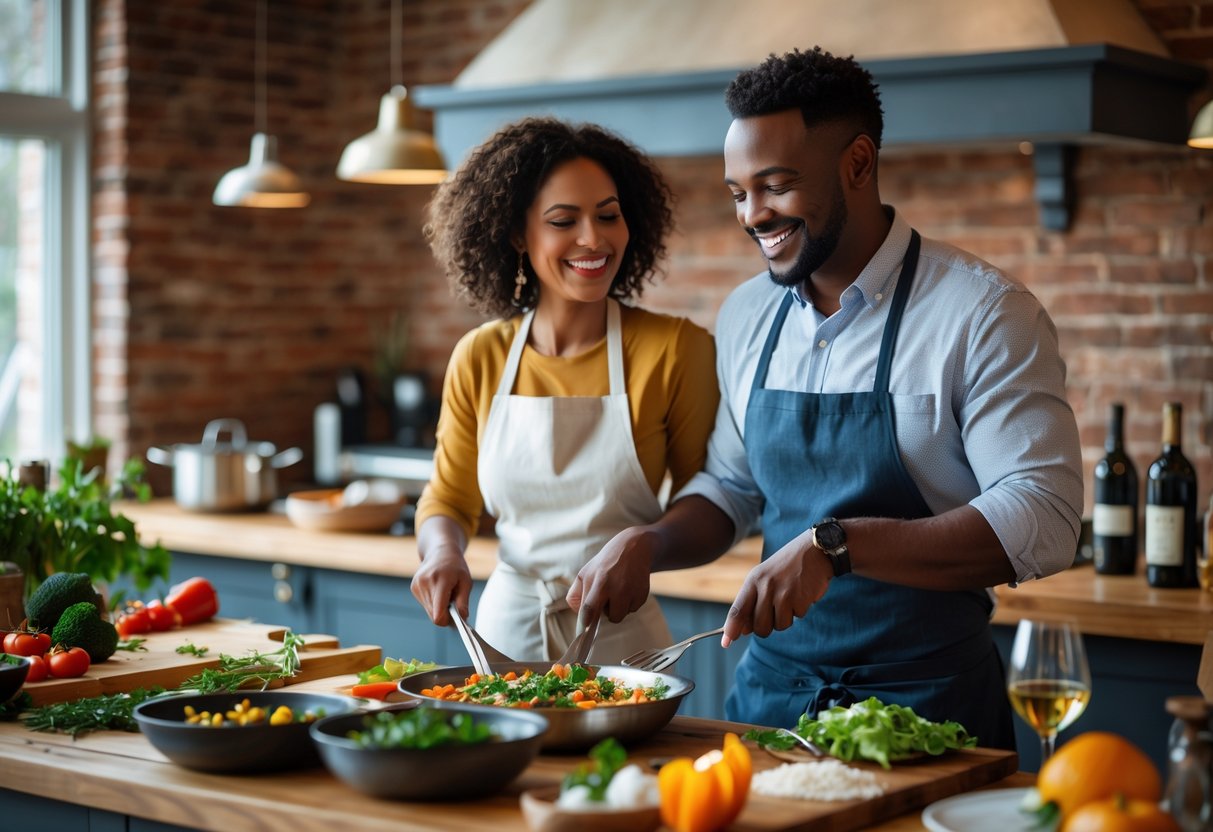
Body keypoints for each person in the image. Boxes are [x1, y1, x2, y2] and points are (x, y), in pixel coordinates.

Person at [567, 47, 1083, 749]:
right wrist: (646, 543)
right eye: (737, 192)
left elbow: (1045, 518)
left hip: (930, 710)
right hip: (771, 705)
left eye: (774, 185)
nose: (752, 215)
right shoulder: (749, 314)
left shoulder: (982, 312)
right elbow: (729, 486)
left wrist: (837, 546)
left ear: (859, 164)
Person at [411, 117, 719, 665]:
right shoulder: (481, 356)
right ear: (515, 234)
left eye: (608, 215)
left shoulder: (674, 349)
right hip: (504, 635)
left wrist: (644, 546)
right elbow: (449, 500)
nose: (593, 239)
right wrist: (442, 553)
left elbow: (713, 500)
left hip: (622, 639)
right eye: (563, 220)